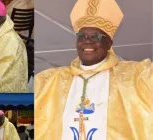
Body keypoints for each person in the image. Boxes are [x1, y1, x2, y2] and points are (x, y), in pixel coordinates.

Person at [35, 0, 153, 140]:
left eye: (95, 36)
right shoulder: (50, 80)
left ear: (109, 43)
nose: (87, 41)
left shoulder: (136, 76)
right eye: (82, 36)